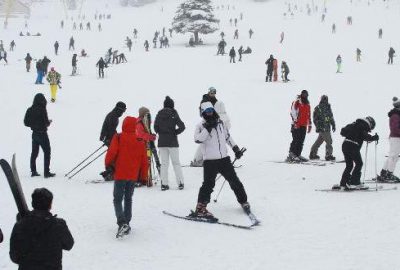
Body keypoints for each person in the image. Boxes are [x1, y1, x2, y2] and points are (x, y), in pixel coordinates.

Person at [190, 101, 250, 220]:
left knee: (235, 181)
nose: (210, 113)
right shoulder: (200, 126)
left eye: (211, 110)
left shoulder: (220, 123)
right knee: (208, 185)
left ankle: (244, 201)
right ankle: (200, 208)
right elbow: (198, 139)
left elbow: (227, 137)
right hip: (210, 161)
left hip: (224, 160)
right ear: (203, 112)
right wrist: (208, 128)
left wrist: (235, 148)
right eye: (207, 111)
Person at [10, 188, 74, 269]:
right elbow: (69, 245)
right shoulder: (59, 225)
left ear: (33, 203)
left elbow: (14, 256)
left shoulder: (20, 225)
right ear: (50, 205)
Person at [105, 116, 142, 236]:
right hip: (132, 175)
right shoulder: (139, 139)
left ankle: (122, 222)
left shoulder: (119, 137)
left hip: (120, 173)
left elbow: (112, 152)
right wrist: (143, 176)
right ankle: (127, 222)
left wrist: (108, 165)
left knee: (117, 199)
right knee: (128, 198)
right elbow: (143, 160)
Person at [191, 87, 231, 167]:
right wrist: (208, 122)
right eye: (211, 92)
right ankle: (198, 159)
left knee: (219, 140)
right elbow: (203, 112)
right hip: (207, 123)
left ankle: (221, 158)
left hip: (216, 122)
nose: (213, 94)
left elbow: (217, 111)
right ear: (209, 92)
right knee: (205, 142)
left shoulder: (215, 100)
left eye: (214, 93)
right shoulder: (205, 100)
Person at [154, 96, 185, 191]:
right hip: (173, 142)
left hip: (162, 142)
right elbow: (182, 126)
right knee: (176, 163)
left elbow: (155, 128)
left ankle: (164, 184)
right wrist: (175, 132)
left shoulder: (159, 113)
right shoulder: (173, 113)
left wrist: (161, 133)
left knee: (164, 164)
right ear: (172, 105)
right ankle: (180, 183)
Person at [339, 117, 379, 189]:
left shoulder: (354, 124)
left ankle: (343, 183)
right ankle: (354, 182)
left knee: (349, 165)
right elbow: (365, 136)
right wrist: (374, 137)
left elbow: (343, 131)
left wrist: (352, 133)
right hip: (353, 146)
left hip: (345, 145)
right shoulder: (363, 125)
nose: (370, 129)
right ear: (370, 123)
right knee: (359, 163)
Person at [24, 93, 55, 177]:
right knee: (47, 152)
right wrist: (49, 122)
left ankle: (33, 171)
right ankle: (46, 172)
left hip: (34, 134)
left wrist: (33, 125)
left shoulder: (30, 109)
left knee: (34, 153)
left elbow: (26, 123)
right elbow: (45, 123)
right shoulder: (42, 109)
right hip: (42, 134)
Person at [377, 97, 400, 181]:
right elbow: (395, 128)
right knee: (394, 156)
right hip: (395, 138)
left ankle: (384, 172)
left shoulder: (397, 114)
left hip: (395, 137)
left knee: (392, 155)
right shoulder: (395, 115)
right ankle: (389, 174)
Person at [287, 90, 312, 162]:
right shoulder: (297, 102)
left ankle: (298, 154)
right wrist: (295, 122)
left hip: (303, 125)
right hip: (296, 124)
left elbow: (308, 115)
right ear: (301, 95)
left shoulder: (307, 104)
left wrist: (309, 124)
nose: (305, 96)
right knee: (296, 139)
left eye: (306, 95)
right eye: (304, 94)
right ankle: (292, 154)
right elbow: (293, 112)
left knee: (301, 140)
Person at [309, 95, 336, 160]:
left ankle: (313, 154)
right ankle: (328, 155)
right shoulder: (318, 108)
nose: (325, 100)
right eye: (324, 99)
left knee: (319, 141)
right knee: (329, 141)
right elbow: (315, 119)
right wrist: (318, 126)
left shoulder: (328, 107)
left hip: (327, 127)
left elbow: (330, 117)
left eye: (326, 99)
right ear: (321, 99)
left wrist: (333, 124)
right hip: (322, 128)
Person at [136, 107, 157, 187]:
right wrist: (151, 137)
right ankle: (139, 179)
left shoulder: (144, 122)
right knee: (141, 163)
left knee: (145, 162)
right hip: (141, 146)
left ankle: (144, 178)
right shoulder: (139, 123)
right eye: (147, 113)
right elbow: (141, 135)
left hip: (145, 145)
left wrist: (151, 136)